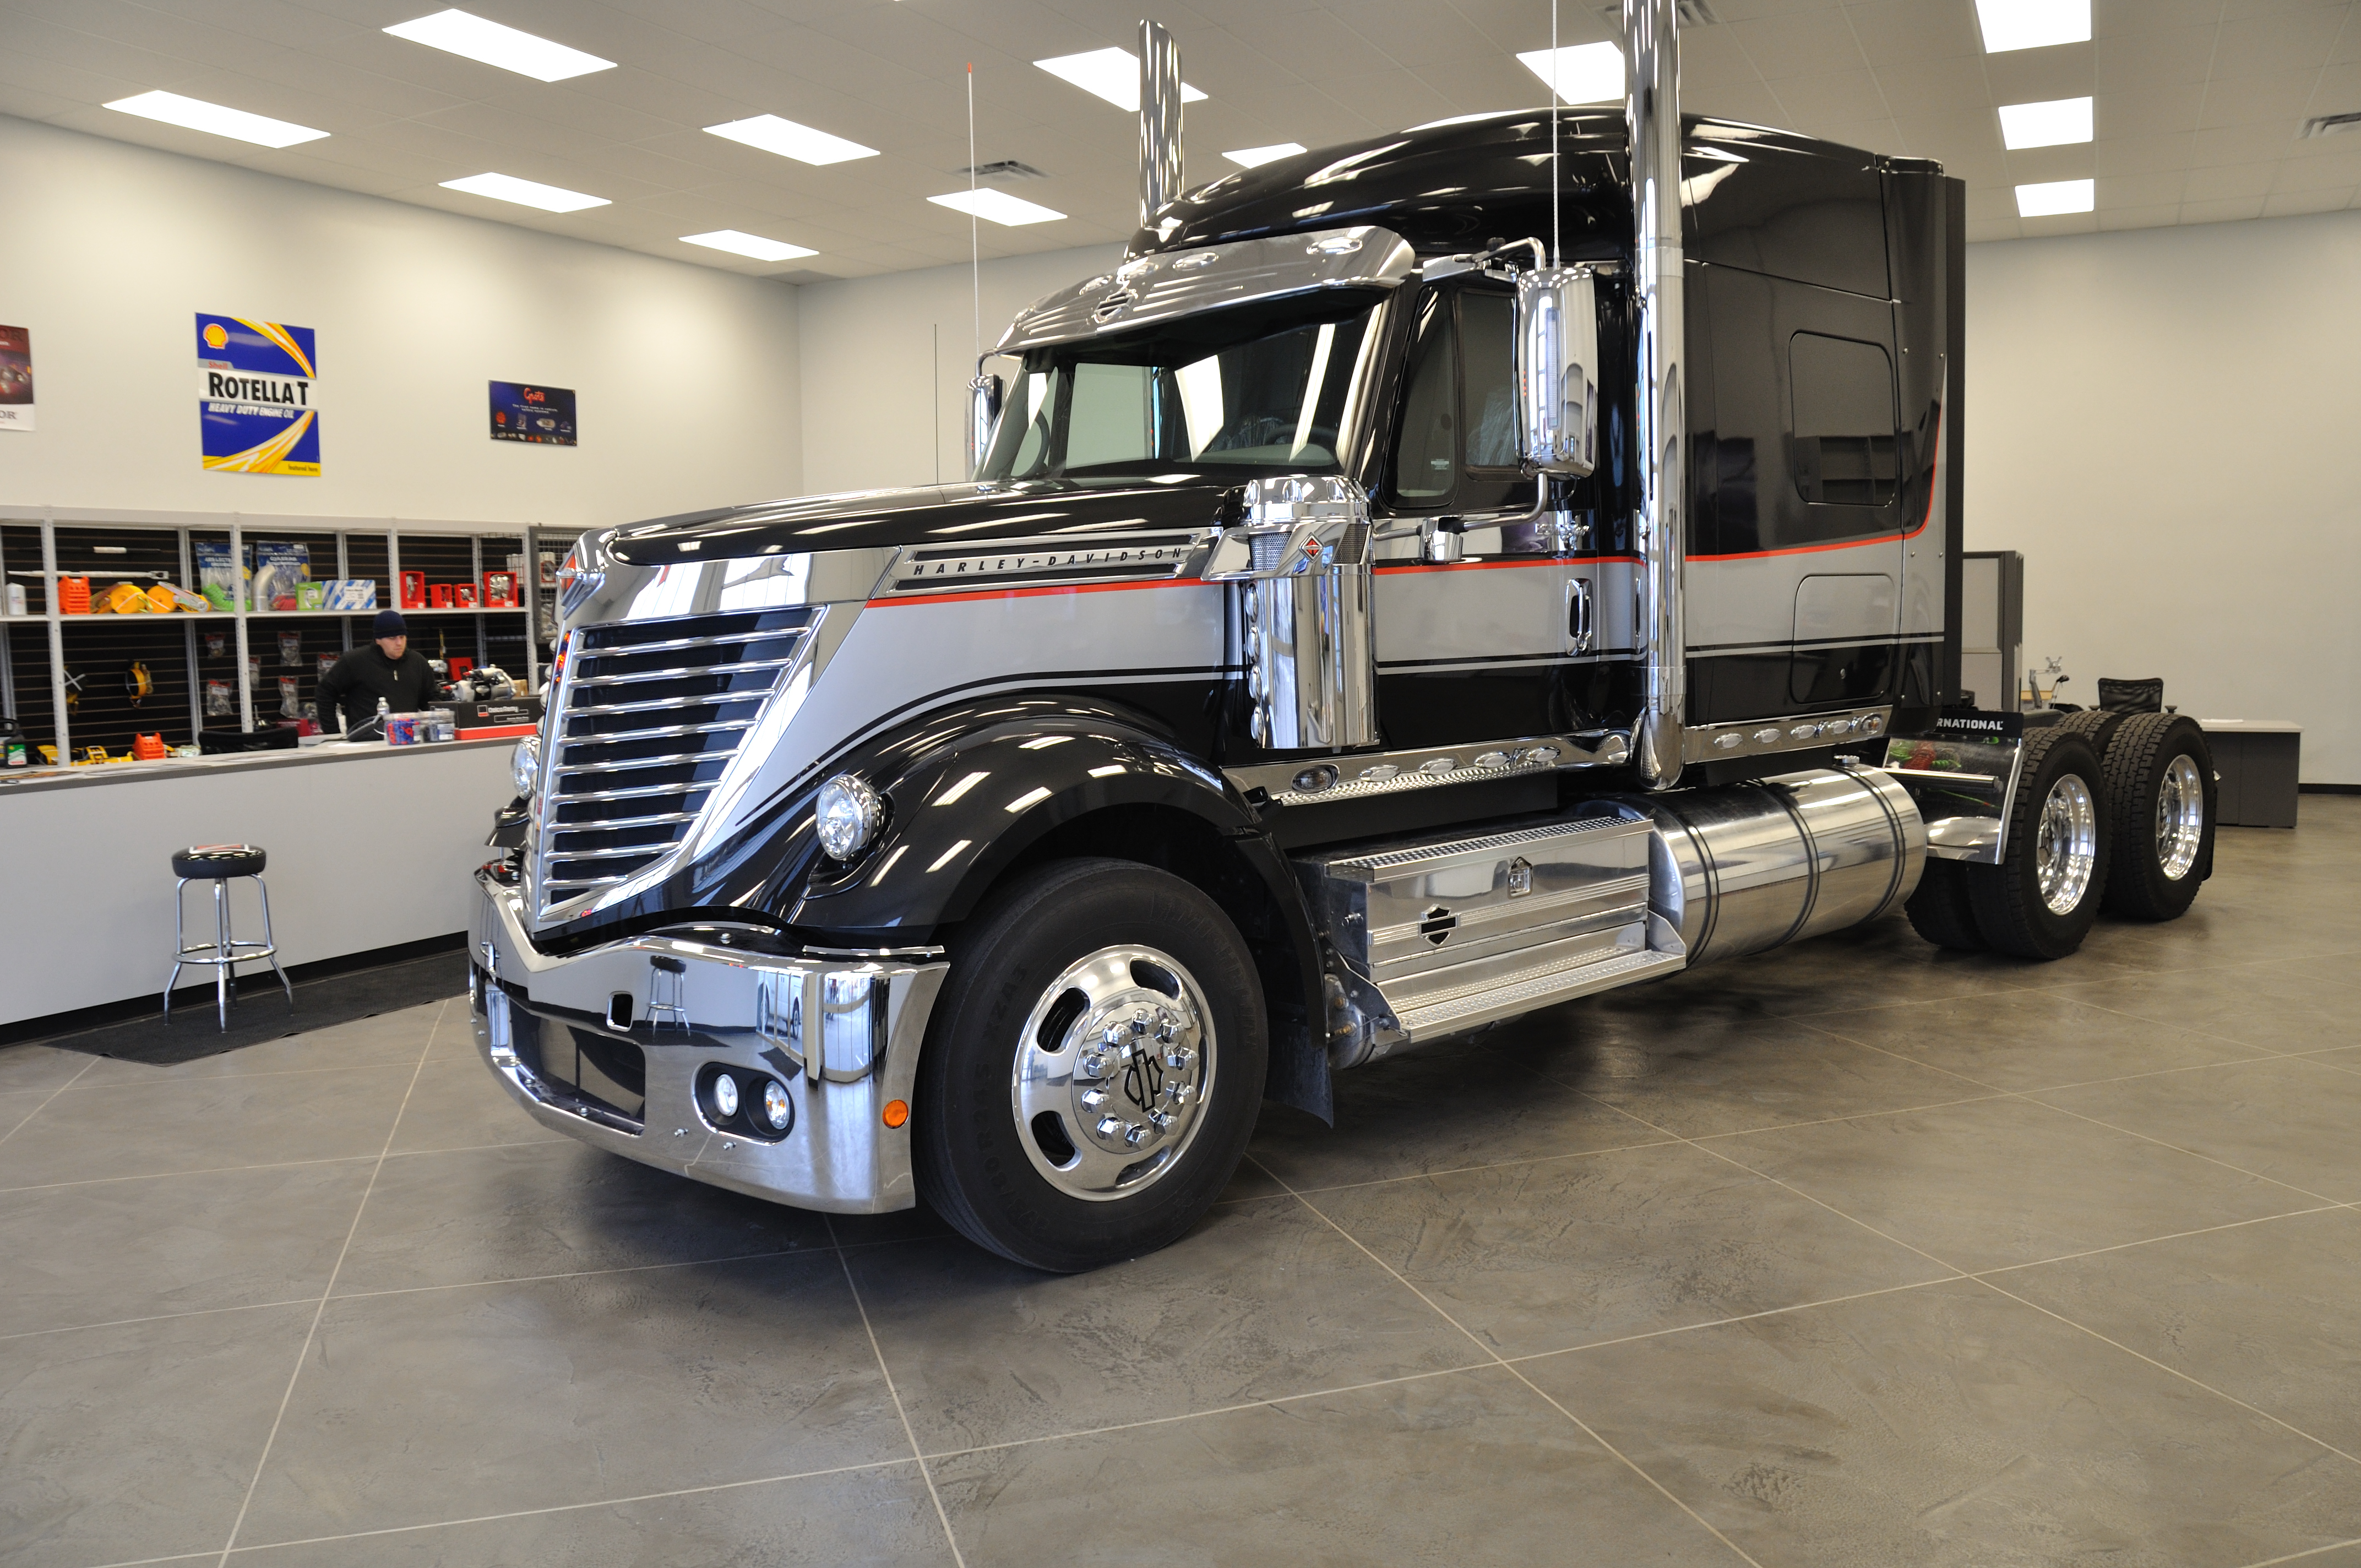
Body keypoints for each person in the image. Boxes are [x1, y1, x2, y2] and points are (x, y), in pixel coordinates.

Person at [316, 609, 437, 735]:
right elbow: (325, 692)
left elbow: (430, 700)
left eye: (402, 637)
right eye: (392, 638)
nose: (399, 643)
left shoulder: (418, 662)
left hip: (407, 739)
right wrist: (333, 733)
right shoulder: (355, 661)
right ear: (378, 640)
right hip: (365, 743)